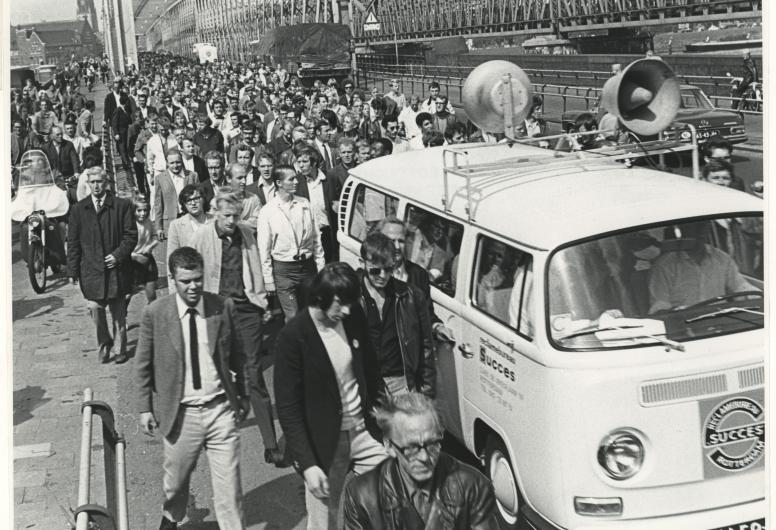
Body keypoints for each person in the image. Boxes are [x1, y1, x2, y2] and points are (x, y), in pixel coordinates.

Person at [134, 247, 250, 530]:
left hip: (220, 410)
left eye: (198, 279)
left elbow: (240, 356)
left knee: (230, 490)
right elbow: (143, 364)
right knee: (175, 484)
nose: (193, 286)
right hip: (181, 414)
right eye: (185, 281)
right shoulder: (156, 313)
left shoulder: (221, 307)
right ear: (173, 280)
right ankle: (172, 516)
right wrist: (144, 408)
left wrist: (244, 393)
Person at [274, 262, 389, 529]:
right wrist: (308, 464)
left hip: (364, 432)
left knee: (390, 504)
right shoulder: (293, 337)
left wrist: (385, 419)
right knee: (324, 522)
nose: (347, 310)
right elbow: (288, 408)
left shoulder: (353, 315)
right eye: (341, 304)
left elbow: (371, 370)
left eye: (351, 303)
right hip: (325, 443)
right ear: (321, 297)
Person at [188, 188, 283, 466]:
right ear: (215, 213)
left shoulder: (246, 234)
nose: (232, 221)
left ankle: (270, 444)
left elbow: (256, 267)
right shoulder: (201, 236)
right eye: (227, 215)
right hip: (215, 311)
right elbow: (187, 274)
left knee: (254, 373)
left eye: (236, 215)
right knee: (215, 374)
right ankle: (215, 436)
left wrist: (262, 302)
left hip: (246, 310)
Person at [343, 392, 499, 530]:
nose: (424, 457)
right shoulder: (362, 496)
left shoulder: (474, 487)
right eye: (411, 447)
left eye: (432, 444)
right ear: (389, 445)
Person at [67, 167, 137, 364]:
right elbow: (73, 243)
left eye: (99, 182)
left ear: (106, 183)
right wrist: (72, 270)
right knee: (94, 307)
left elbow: (131, 236)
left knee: (118, 312)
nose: (96, 186)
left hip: (117, 270)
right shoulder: (78, 210)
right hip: (91, 271)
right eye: (93, 182)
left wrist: (118, 255)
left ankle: (120, 349)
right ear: (88, 184)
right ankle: (105, 343)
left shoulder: (121, 206)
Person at [359, 233, 435, 397]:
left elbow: (426, 346)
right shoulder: (352, 297)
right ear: (362, 263)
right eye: (375, 270)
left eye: (388, 269)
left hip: (401, 384)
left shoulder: (412, 296)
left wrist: (427, 393)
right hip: (365, 386)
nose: (382, 276)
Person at [257, 165, 325, 322]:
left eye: (296, 178)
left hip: (308, 269)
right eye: (291, 179)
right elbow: (264, 248)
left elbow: (316, 239)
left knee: (312, 314)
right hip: (284, 272)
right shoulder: (268, 211)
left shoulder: (305, 204)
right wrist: (268, 279)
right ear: (279, 183)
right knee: (293, 317)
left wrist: (320, 267)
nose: (296, 182)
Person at [375, 217, 455, 343]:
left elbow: (426, 314)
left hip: (409, 351)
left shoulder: (419, 275)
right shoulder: (371, 274)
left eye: (401, 241)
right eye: (391, 241)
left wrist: (437, 328)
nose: (397, 247)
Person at [648, 221, 757, 313]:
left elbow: (740, 287)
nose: (699, 231)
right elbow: (660, 307)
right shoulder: (664, 265)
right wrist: (677, 312)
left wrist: (758, 295)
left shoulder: (722, 259)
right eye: (693, 226)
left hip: (721, 321)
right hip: (684, 324)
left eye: (703, 225)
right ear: (683, 228)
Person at [154, 150, 199, 241]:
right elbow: (158, 204)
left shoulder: (192, 176)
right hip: (170, 221)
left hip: (190, 218)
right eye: (172, 163)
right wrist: (159, 227)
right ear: (167, 163)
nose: (175, 165)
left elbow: (199, 199)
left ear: (182, 161)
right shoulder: (160, 178)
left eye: (178, 162)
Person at [166, 184, 212, 262]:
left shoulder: (215, 220)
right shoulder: (176, 226)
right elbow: (171, 258)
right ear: (184, 204)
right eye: (188, 200)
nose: (193, 203)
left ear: (203, 199)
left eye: (196, 198)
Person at [127, 196, 159, 309]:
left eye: (145, 210)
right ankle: (122, 314)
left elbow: (155, 237)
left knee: (152, 293)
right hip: (132, 262)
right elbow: (124, 244)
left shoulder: (148, 222)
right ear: (133, 211)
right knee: (128, 294)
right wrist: (134, 255)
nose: (142, 213)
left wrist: (150, 246)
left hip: (147, 260)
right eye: (139, 210)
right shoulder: (130, 224)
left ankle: (152, 314)